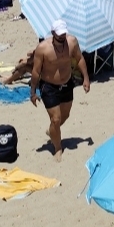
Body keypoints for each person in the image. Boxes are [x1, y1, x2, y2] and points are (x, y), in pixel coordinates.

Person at [29, 19, 90, 161]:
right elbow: (36, 71)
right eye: (59, 35)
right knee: (56, 119)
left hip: (67, 83)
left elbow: (79, 58)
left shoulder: (72, 42)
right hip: (49, 86)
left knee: (65, 116)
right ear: (52, 33)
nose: (62, 38)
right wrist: (32, 92)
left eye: (64, 34)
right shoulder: (43, 48)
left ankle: (52, 131)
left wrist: (86, 78)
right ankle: (57, 148)